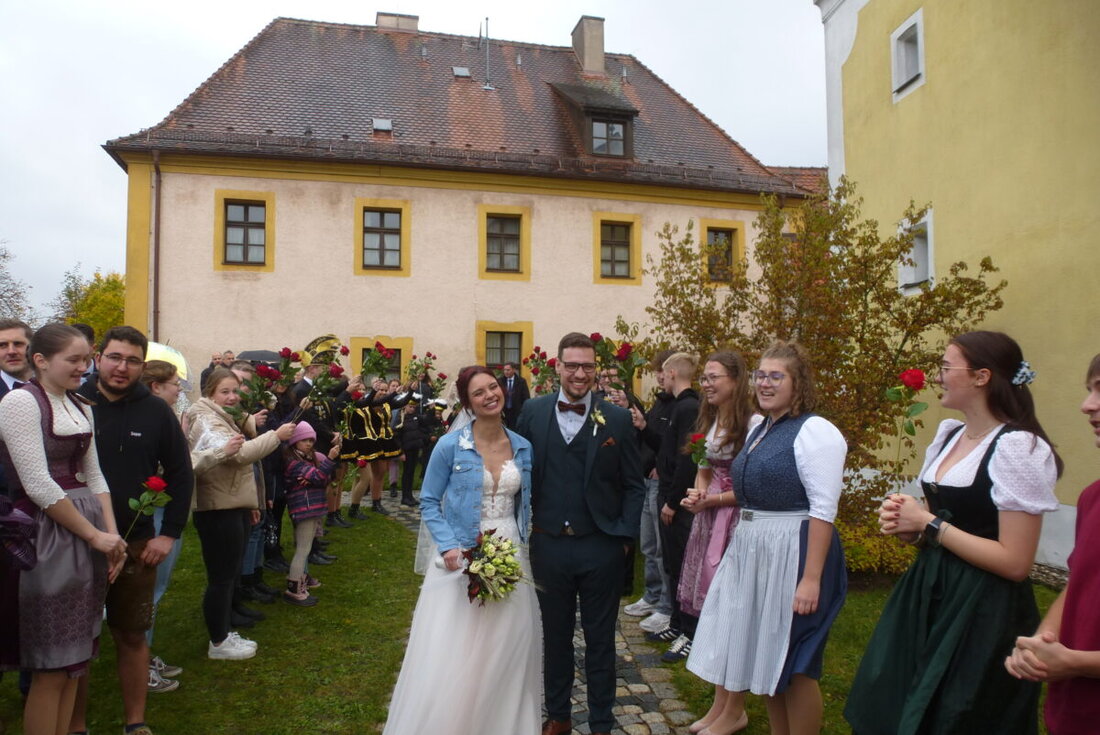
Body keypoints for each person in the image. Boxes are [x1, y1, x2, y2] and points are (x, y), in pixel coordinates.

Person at [845, 331, 1061, 734]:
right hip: (929, 590)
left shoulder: (1018, 448)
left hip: (983, 609)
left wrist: (929, 524)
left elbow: (1015, 562)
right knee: (897, 697)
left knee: (958, 713)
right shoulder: (949, 435)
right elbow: (940, 522)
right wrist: (909, 526)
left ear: (981, 377)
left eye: (946, 368)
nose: (938, 376)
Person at [687, 341, 847, 735]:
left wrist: (810, 579)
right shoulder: (761, 427)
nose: (765, 383)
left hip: (795, 549)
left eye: (777, 376)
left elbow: (823, 509)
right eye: (761, 375)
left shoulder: (816, 431)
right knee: (768, 658)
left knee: (795, 663)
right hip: (755, 547)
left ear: (798, 383)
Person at [382, 365, 540, 734]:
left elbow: (525, 504)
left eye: (493, 387)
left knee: (508, 647)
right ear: (468, 403)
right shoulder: (450, 446)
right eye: (479, 392)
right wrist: (451, 547)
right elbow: (430, 501)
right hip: (461, 557)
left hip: (509, 554)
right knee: (456, 653)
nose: (490, 395)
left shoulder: (522, 446)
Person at [0, 323, 127, 735]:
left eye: (86, 358)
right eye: (73, 360)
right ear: (41, 360)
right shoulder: (21, 402)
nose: (83, 367)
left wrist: (113, 536)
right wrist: (94, 536)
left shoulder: (80, 405)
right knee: (51, 667)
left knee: (76, 663)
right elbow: (37, 483)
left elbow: (97, 476)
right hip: (48, 533)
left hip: (88, 531)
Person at [517, 332, 645, 735]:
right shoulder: (532, 413)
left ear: (596, 369)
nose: (579, 373)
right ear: (557, 366)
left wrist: (623, 538)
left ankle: (603, 722)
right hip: (548, 544)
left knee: (601, 640)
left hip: (600, 546)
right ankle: (558, 716)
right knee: (554, 638)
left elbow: (634, 484)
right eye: (571, 365)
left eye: (587, 366)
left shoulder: (618, 419)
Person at [67, 328, 194, 735]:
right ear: (98, 358)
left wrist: (168, 533)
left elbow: (180, 472)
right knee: (76, 643)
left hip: (136, 542)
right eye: (115, 357)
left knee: (132, 634)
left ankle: (135, 723)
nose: (122, 367)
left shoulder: (155, 411)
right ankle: (76, 725)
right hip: (76, 542)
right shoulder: (72, 401)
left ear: (142, 366)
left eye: (133, 360)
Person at [1005, 353, 1100, 734]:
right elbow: (1077, 584)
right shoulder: (1092, 497)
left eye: (1099, 391)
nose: (1086, 405)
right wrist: (1038, 645)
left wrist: (1076, 662)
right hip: (1074, 713)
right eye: (1089, 390)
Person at [186, 367, 295, 660]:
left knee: (229, 572)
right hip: (217, 506)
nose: (233, 396)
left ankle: (224, 629)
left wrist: (250, 504)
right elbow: (240, 455)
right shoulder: (204, 417)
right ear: (210, 391)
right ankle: (218, 641)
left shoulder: (221, 414)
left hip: (232, 501)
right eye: (225, 391)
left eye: (235, 390)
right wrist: (277, 434)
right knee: (221, 576)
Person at [677, 351, 758, 734]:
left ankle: (734, 708)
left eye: (714, 378)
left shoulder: (752, 423)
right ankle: (720, 705)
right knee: (717, 613)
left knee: (733, 614)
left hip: (736, 522)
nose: (706, 384)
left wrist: (714, 500)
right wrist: (697, 494)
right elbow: (704, 469)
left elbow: (753, 485)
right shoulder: (711, 419)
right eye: (704, 378)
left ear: (736, 379)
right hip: (710, 519)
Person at [137, 360, 188, 690]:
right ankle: (139, 666)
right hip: (152, 510)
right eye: (174, 383)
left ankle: (145, 655)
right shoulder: (148, 418)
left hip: (165, 509)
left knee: (158, 588)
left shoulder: (164, 416)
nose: (179, 389)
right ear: (155, 386)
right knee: (149, 592)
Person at [625, 349, 676, 633]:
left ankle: (665, 606)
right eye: (657, 370)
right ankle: (653, 594)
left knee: (660, 547)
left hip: (660, 481)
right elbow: (651, 438)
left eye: (662, 370)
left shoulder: (681, 406)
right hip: (647, 478)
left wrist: (660, 464)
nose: (658, 376)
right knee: (648, 544)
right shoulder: (660, 404)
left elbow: (671, 445)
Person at [282, 421, 339, 605]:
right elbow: (319, 477)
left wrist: (318, 475)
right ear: (295, 442)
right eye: (304, 440)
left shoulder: (306, 460)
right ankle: (294, 589)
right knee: (302, 549)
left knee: (305, 548)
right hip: (304, 508)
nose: (309, 443)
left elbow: (320, 479)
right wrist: (329, 460)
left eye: (311, 440)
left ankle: (302, 580)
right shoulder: (294, 463)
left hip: (312, 508)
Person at [499, 361, 530, 430]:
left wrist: (523, 412)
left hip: (517, 413)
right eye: (504, 370)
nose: (506, 372)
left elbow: (526, 398)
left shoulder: (521, 381)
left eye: (508, 370)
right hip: (504, 413)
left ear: (513, 370)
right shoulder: (500, 381)